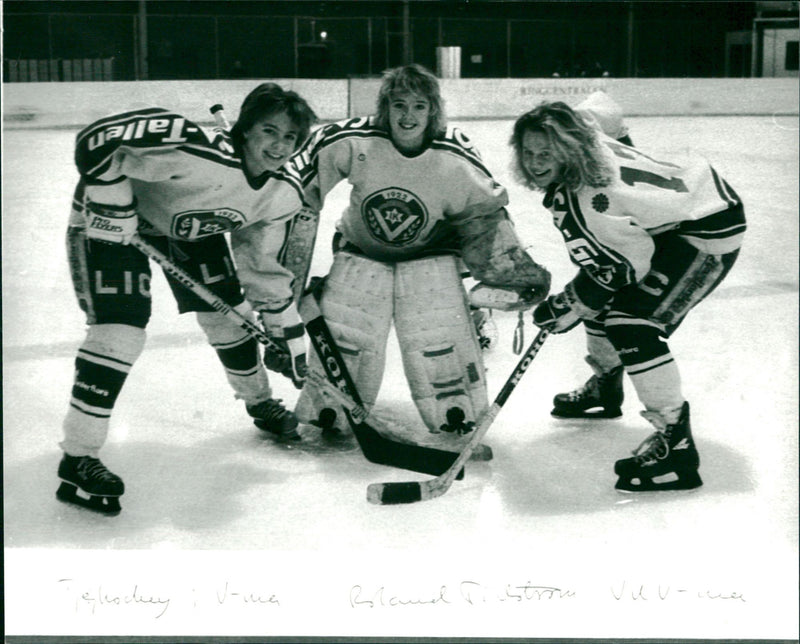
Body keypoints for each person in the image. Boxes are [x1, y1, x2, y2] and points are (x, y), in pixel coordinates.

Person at [57, 83, 317, 514]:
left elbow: (261, 264)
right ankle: (78, 455)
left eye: (290, 137)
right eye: (269, 131)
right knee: (119, 333)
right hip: (114, 223)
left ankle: (260, 402)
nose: (279, 145)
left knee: (232, 318)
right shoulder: (197, 152)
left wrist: (286, 333)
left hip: (191, 227)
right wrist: (113, 204)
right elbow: (97, 141)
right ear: (246, 130)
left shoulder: (282, 192)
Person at [286, 63, 551, 449]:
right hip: (360, 252)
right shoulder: (352, 140)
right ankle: (329, 409)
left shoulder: (453, 155)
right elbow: (298, 193)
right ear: (385, 107)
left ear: (433, 111)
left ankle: (455, 413)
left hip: (432, 256)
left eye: (419, 106)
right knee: (348, 336)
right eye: (399, 105)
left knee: (435, 334)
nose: (408, 116)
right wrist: (285, 282)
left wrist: (512, 272)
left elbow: (483, 216)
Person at [509, 100, 745, 492]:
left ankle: (676, 441)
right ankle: (607, 384)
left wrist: (567, 305)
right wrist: (626, 149)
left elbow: (622, 268)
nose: (535, 163)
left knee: (630, 322)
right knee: (600, 294)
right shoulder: (583, 129)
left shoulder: (587, 201)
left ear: (567, 147)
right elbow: (604, 107)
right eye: (529, 152)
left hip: (709, 228)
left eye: (546, 153)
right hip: (690, 203)